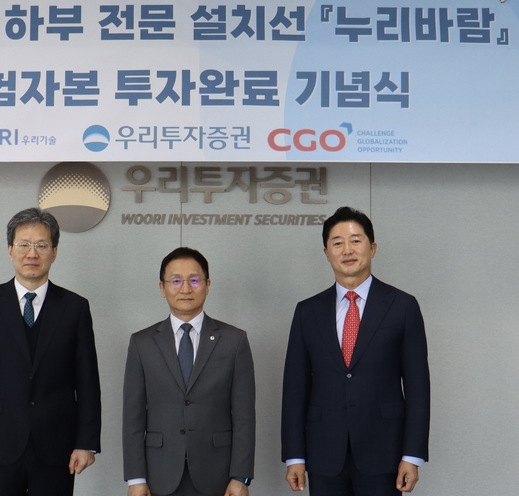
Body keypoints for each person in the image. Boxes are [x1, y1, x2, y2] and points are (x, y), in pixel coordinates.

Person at [281, 206, 430, 496]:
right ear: (327, 253)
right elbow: (294, 387)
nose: (347, 250)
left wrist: (412, 455)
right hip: (324, 453)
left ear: (372, 248)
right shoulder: (307, 312)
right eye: (337, 243)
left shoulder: (402, 306)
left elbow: (418, 387)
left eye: (356, 240)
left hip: (384, 450)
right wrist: (294, 456)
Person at [0, 207, 102, 496]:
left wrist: (86, 442)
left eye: (41, 245)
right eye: (24, 244)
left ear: (54, 252)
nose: (32, 253)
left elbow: (87, 382)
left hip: (57, 447)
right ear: (10, 250)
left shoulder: (75, 308)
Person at [123, 247, 256, 496]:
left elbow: (244, 416)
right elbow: (133, 417)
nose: (185, 289)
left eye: (194, 280)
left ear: (207, 285)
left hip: (217, 473)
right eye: (176, 281)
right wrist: (135, 478)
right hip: (158, 474)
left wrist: (240, 477)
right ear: (162, 288)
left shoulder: (234, 340)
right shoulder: (142, 343)